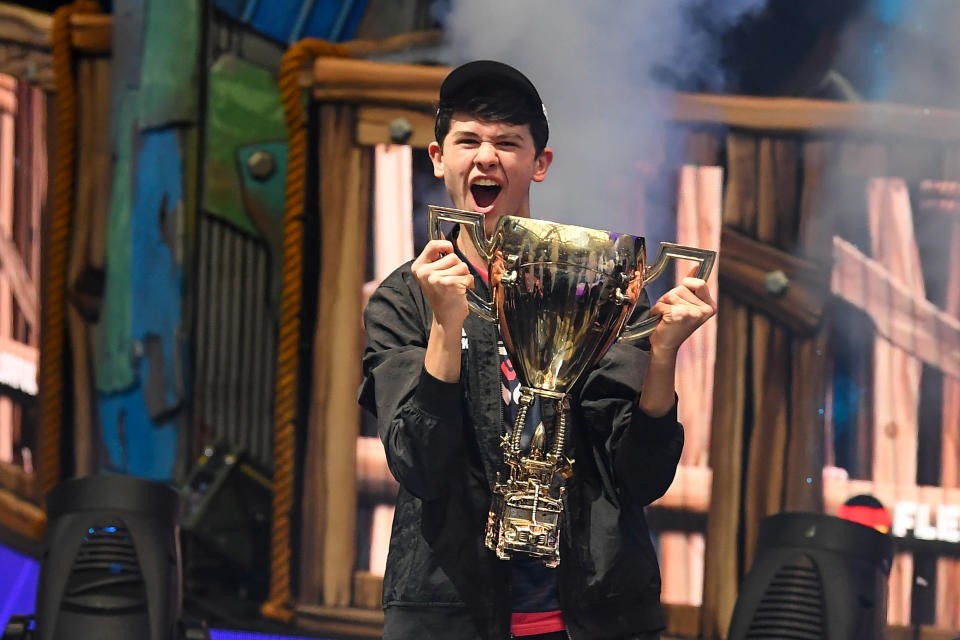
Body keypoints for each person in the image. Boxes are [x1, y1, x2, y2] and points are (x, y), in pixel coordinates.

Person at [358, 60, 717, 640]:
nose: (485, 156)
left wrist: (662, 356)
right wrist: (447, 329)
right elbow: (418, 465)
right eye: (468, 140)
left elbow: (642, 478)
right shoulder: (406, 298)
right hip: (453, 615)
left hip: (594, 614)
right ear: (437, 158)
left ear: (539, 163)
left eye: (507, 142)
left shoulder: (598, 285)